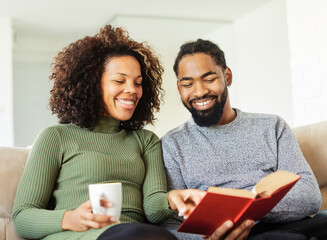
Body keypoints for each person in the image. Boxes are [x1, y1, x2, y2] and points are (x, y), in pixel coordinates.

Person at [12, 25, 204, 240]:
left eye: (138, 83)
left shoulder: (145, 140)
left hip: (136, 234)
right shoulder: (56, 137)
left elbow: (152, 207)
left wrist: (172, 199)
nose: (132, 89)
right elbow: (22, 218)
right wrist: (70, 218)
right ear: (93, 84)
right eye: (119, 81)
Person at [161, 39, 322, 240]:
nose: (199, 91)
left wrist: (245, 210)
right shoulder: (172, 145)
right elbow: (170, 223)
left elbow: (309, 195)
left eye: (209, 79)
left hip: (289, 225)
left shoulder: (272, 126)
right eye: (188, 84)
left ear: (227, 76)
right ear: (179, 87)